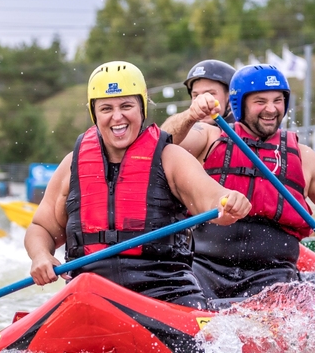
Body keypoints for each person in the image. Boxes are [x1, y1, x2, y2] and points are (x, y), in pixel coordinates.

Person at [25, 61, 251, 309]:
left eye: (126, 106)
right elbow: (41, 227)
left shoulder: (170, 157)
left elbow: (212, 199)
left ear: (142, 108)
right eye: (106, 108)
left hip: (165, 291)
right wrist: (41, 255)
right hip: (91, 294)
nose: (117, 116)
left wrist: (229, 202)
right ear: (94, 113)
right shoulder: (72, 165)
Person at [160, 64, 315, 304]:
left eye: (278, 100)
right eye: (260, 101)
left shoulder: (307, 159)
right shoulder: (209, 137)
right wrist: (191, 115)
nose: (271, 109)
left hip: (274, 279)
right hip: (205, 271)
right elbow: (162, 142)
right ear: (239, 104)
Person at [163, 60, 236, 143]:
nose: (201, 100)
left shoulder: (247, 129)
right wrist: (190, 115)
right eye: (196, 95)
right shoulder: (193, 132)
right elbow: (159, 141)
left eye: (210, 93)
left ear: (230, 98)